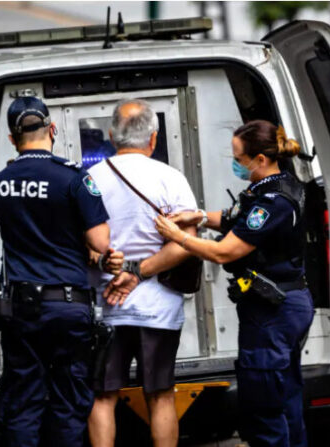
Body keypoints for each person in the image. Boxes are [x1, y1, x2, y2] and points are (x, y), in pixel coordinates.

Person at [154, 120, 314, 447]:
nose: (234, 163)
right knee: (285, 398)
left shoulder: (273, 203)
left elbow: (225, 252)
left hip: (273, 312)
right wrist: (196, 216)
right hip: (283, 305)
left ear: (260, 159)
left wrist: (178, 238)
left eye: (238, 158)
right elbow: (235, 216)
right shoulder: (276, 186)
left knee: (263, 408)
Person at [0, 96, 123, 447]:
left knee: (22, 402)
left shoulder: (0, 183)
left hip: (21, 308)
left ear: (12, 138)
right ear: (52, 128)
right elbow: (101, 240)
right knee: (68, 401)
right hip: (67, 307)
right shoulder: (73, 177)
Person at [86, 99, 198, 447]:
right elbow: (185, 244)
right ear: (153, 138)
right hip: (159, 309)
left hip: (105, 309)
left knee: (102, 396)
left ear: (110, 136)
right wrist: (140, 271)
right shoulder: (170, 178)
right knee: (161, 395)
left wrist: (109, 264)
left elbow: (77, 244)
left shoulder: (88, 179)